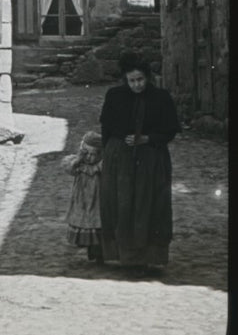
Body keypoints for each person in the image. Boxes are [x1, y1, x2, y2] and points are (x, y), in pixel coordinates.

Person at [99, 51, 179, 273]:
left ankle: (149, 257)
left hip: (151, 160)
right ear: (125, 79)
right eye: (132, 80)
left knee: (150, 204)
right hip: (120, 160)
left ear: (148, 77)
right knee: (122, 204)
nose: (137, 85)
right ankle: (126, 257)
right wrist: (109, 155)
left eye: (140, 79)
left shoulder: (161, 97)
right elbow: (106, 129)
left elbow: (170, 130)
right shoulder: (114, 96)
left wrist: (147, 139)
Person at [63, 129, 105, 263]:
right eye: (86, 153)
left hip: (96, 199)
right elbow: (70, 168)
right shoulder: (79, 164)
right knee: (85, 224)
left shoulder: (100, 166)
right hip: (82, 200)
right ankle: (90, 250)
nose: (89, 158)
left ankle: (98, 253)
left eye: (93, 154)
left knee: (96, 224)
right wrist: (78, 159)